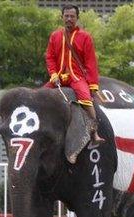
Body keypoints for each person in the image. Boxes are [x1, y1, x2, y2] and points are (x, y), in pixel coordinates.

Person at [45, 3, 103, 157]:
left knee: (85, 99)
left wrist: (93, 86)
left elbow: (91, 63)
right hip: (58, 77)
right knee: (40, 95)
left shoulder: (85, 37)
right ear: (62, 17)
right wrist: (53, 74)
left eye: (72, 16)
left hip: (76, 77)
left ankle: (94, 132)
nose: (69, 19)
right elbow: (50, 57)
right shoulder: (55, 36)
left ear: (77, 18)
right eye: (66, 16)